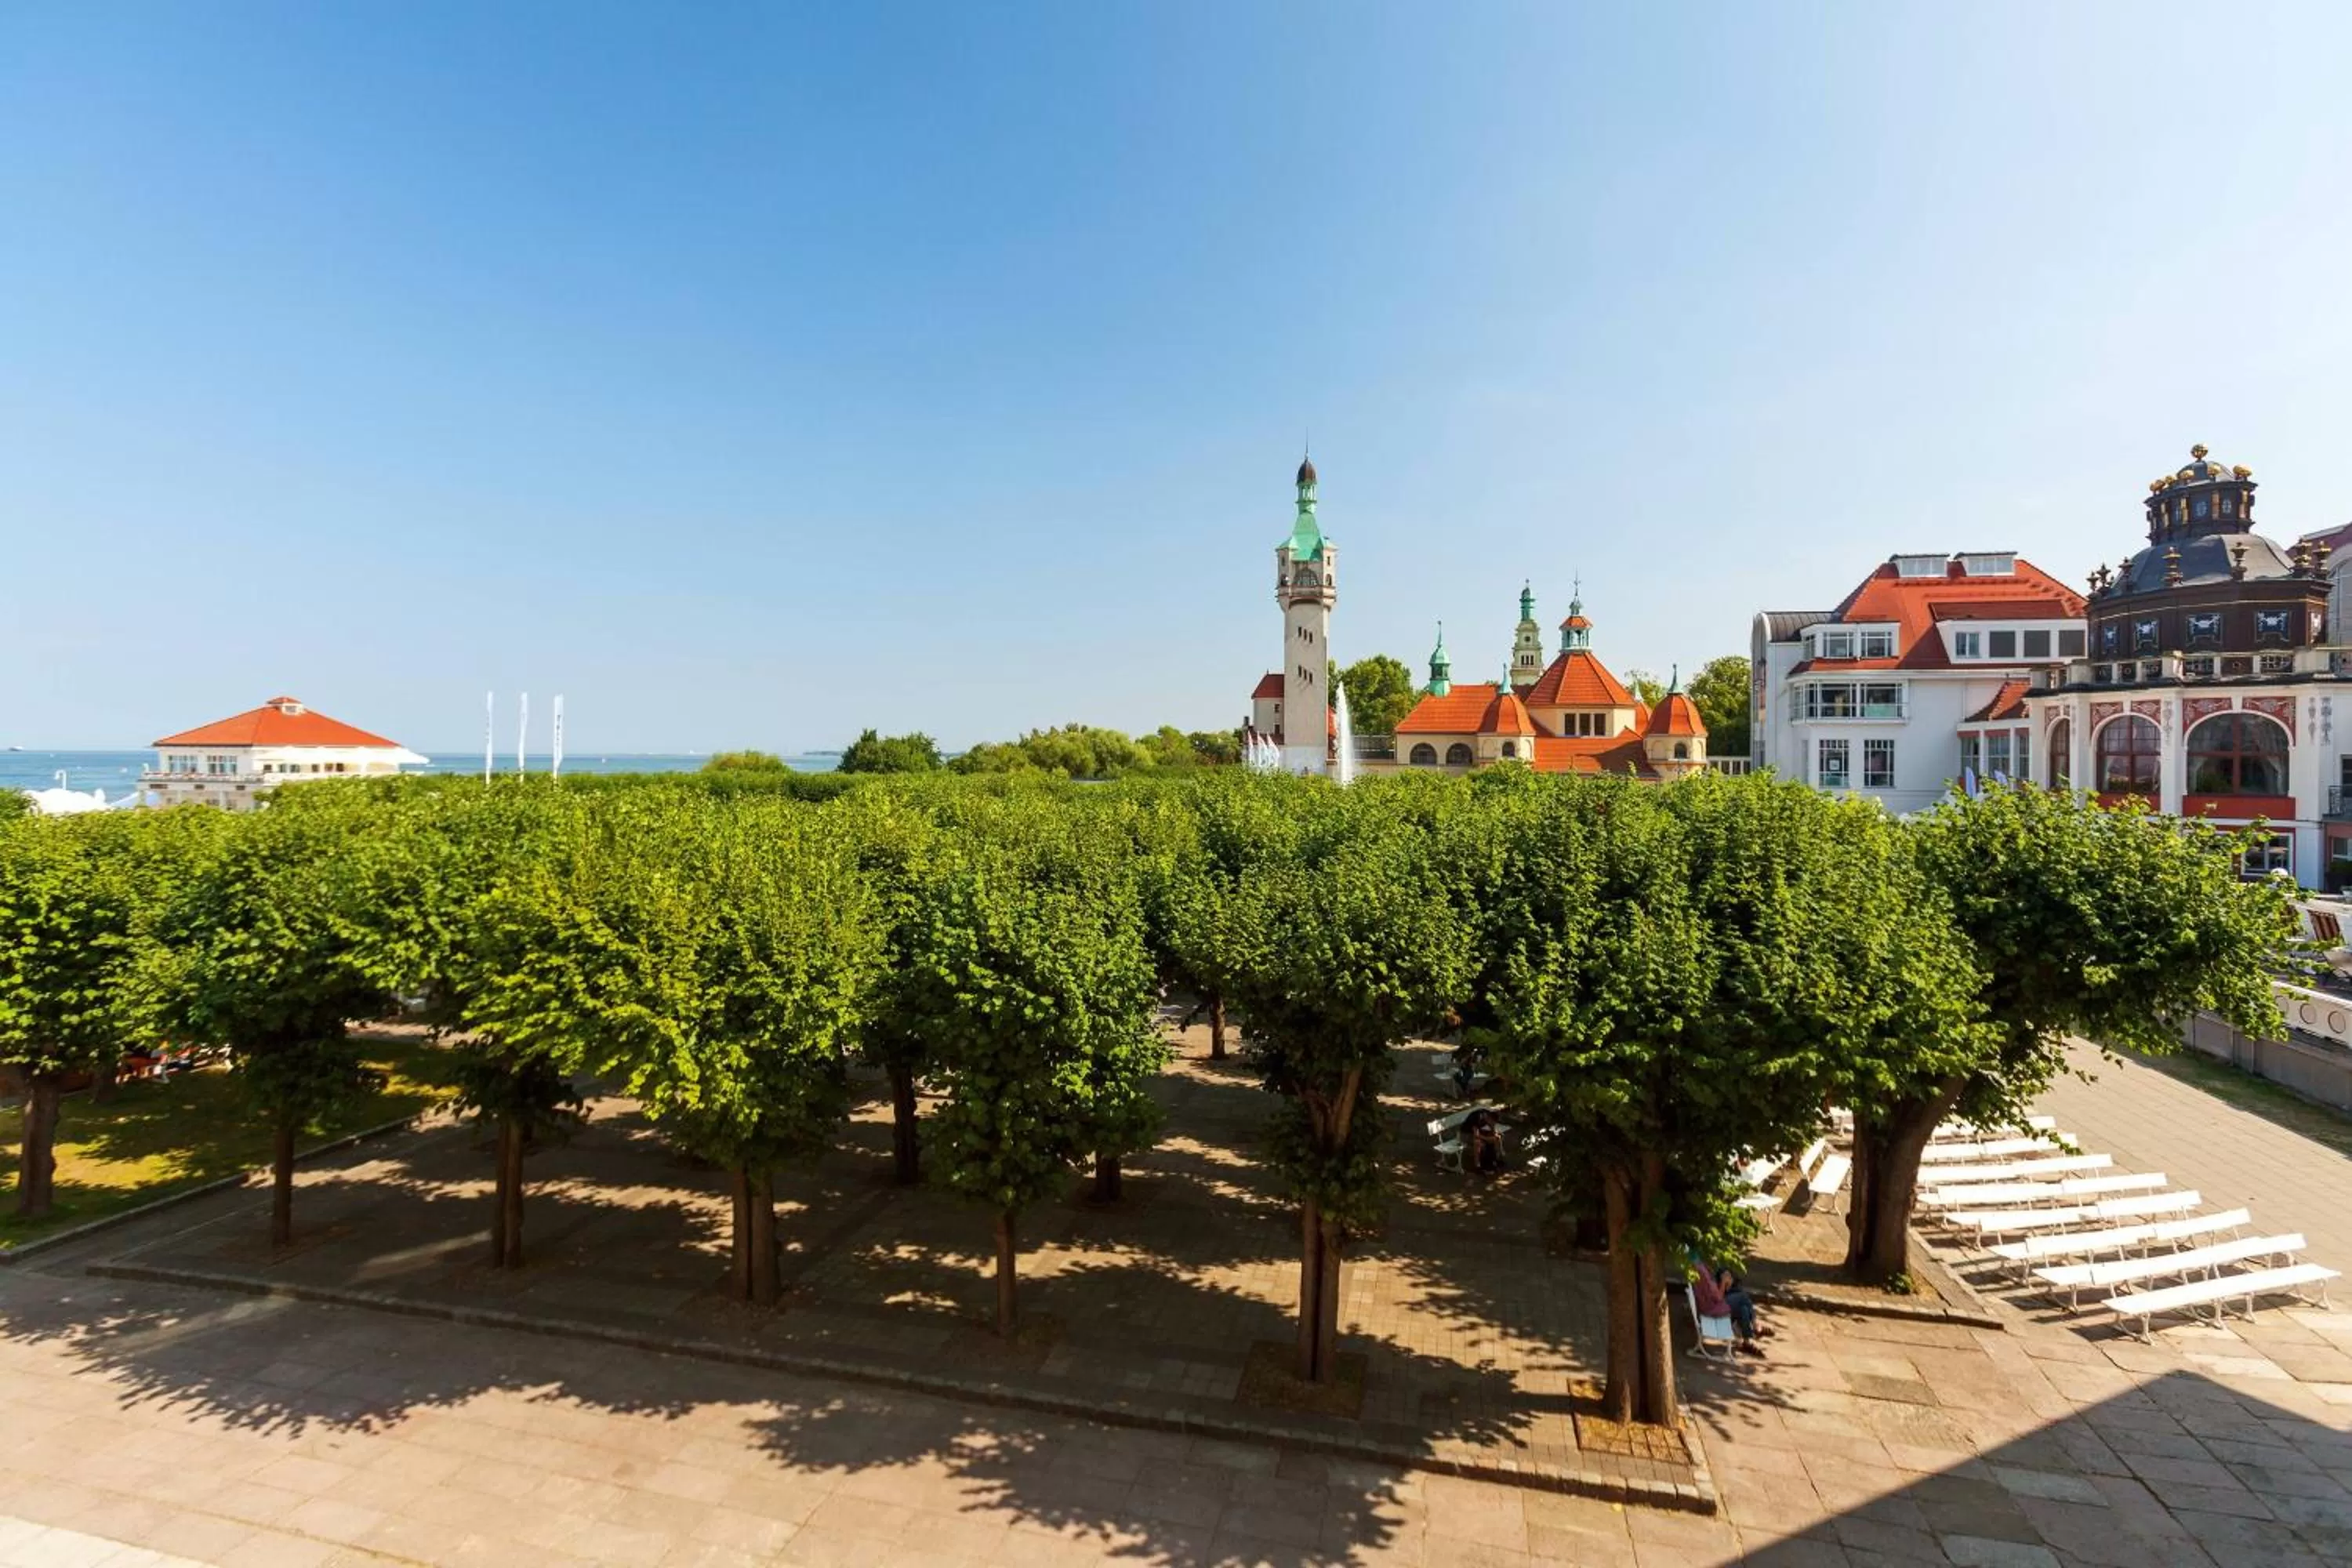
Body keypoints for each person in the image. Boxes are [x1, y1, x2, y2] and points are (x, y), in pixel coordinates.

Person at [1465, 1109, 1504, 1177]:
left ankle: (1495, 1160)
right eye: (1491, 1122)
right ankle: (1477, 1166)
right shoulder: (1476, 1118)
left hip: (1480, 1133)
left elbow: (1492, 1128)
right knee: (1478, 1143)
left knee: (1496, 1139)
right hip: (1466, 1135)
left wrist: (1495, 1135)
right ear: (1488, 1118)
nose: (1492, 1124)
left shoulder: (1488, 1115)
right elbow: (1476, 1135)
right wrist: (1487, 1139)